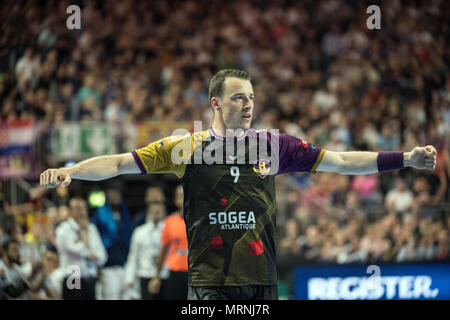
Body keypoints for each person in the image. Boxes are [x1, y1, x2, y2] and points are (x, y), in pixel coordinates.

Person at [40, 69, 438, 300]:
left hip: (261, 281)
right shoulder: (187, 146)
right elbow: (120, 163)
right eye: (236, 98)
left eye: (250, 98)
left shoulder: (274, 145)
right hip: (210, 283)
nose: (247, 105)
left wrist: (403, 159)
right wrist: (71, 170)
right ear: (215, 103)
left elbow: (343, 161)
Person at [55, 197, 107, 300]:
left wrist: (93, 256)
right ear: (70, 211)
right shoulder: (64, 229)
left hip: (90, 276)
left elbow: (102, 256)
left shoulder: (92, 228)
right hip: (73, 275)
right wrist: (84, 232)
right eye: (78, 208)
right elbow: (80, 250)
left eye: (84, 208)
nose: (82, 212)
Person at [91, 185, 134, 300]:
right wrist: (97, 267)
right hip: (107, 266)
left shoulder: (125, 214)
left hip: (124, 265)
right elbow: (94, 240)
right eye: (112, 194)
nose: (115, 197)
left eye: (117, 194)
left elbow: (130, 239)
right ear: (107, 196)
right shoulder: (100, 214)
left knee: (126, 296)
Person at [148, 185, 188, 300]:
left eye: (186, 194)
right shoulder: (169, 222)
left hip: (197, 275)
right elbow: (163, 250)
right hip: (175, 274)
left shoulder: (200, 221)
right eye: (181, 196)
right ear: (175, 200)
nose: (184, 198)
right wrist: (156, 276)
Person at [124, 201, 169, 300]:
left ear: (164, 213)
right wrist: (129, 278)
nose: (156, 214)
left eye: (159, 211)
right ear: (148, 213)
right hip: (145, 275)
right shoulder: (139, 232)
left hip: (164, 276)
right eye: (153, 211)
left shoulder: (169, 231)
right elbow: (133, 256)